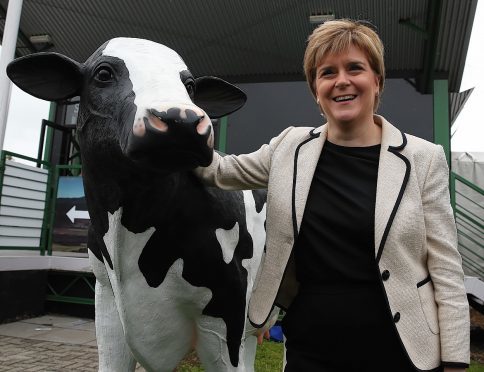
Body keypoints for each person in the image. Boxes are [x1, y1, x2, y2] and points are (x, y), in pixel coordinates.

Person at [196, 19, 469, 371]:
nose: (341, 80)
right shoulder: (289, 148)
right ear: (316, 90)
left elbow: (446, 269)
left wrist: (457, 363)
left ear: (377, 81)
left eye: (355, 68)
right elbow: (217, 170)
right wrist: (179, 131)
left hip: (401, 351)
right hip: (312, 348)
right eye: (327, 72)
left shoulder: (423, 159)